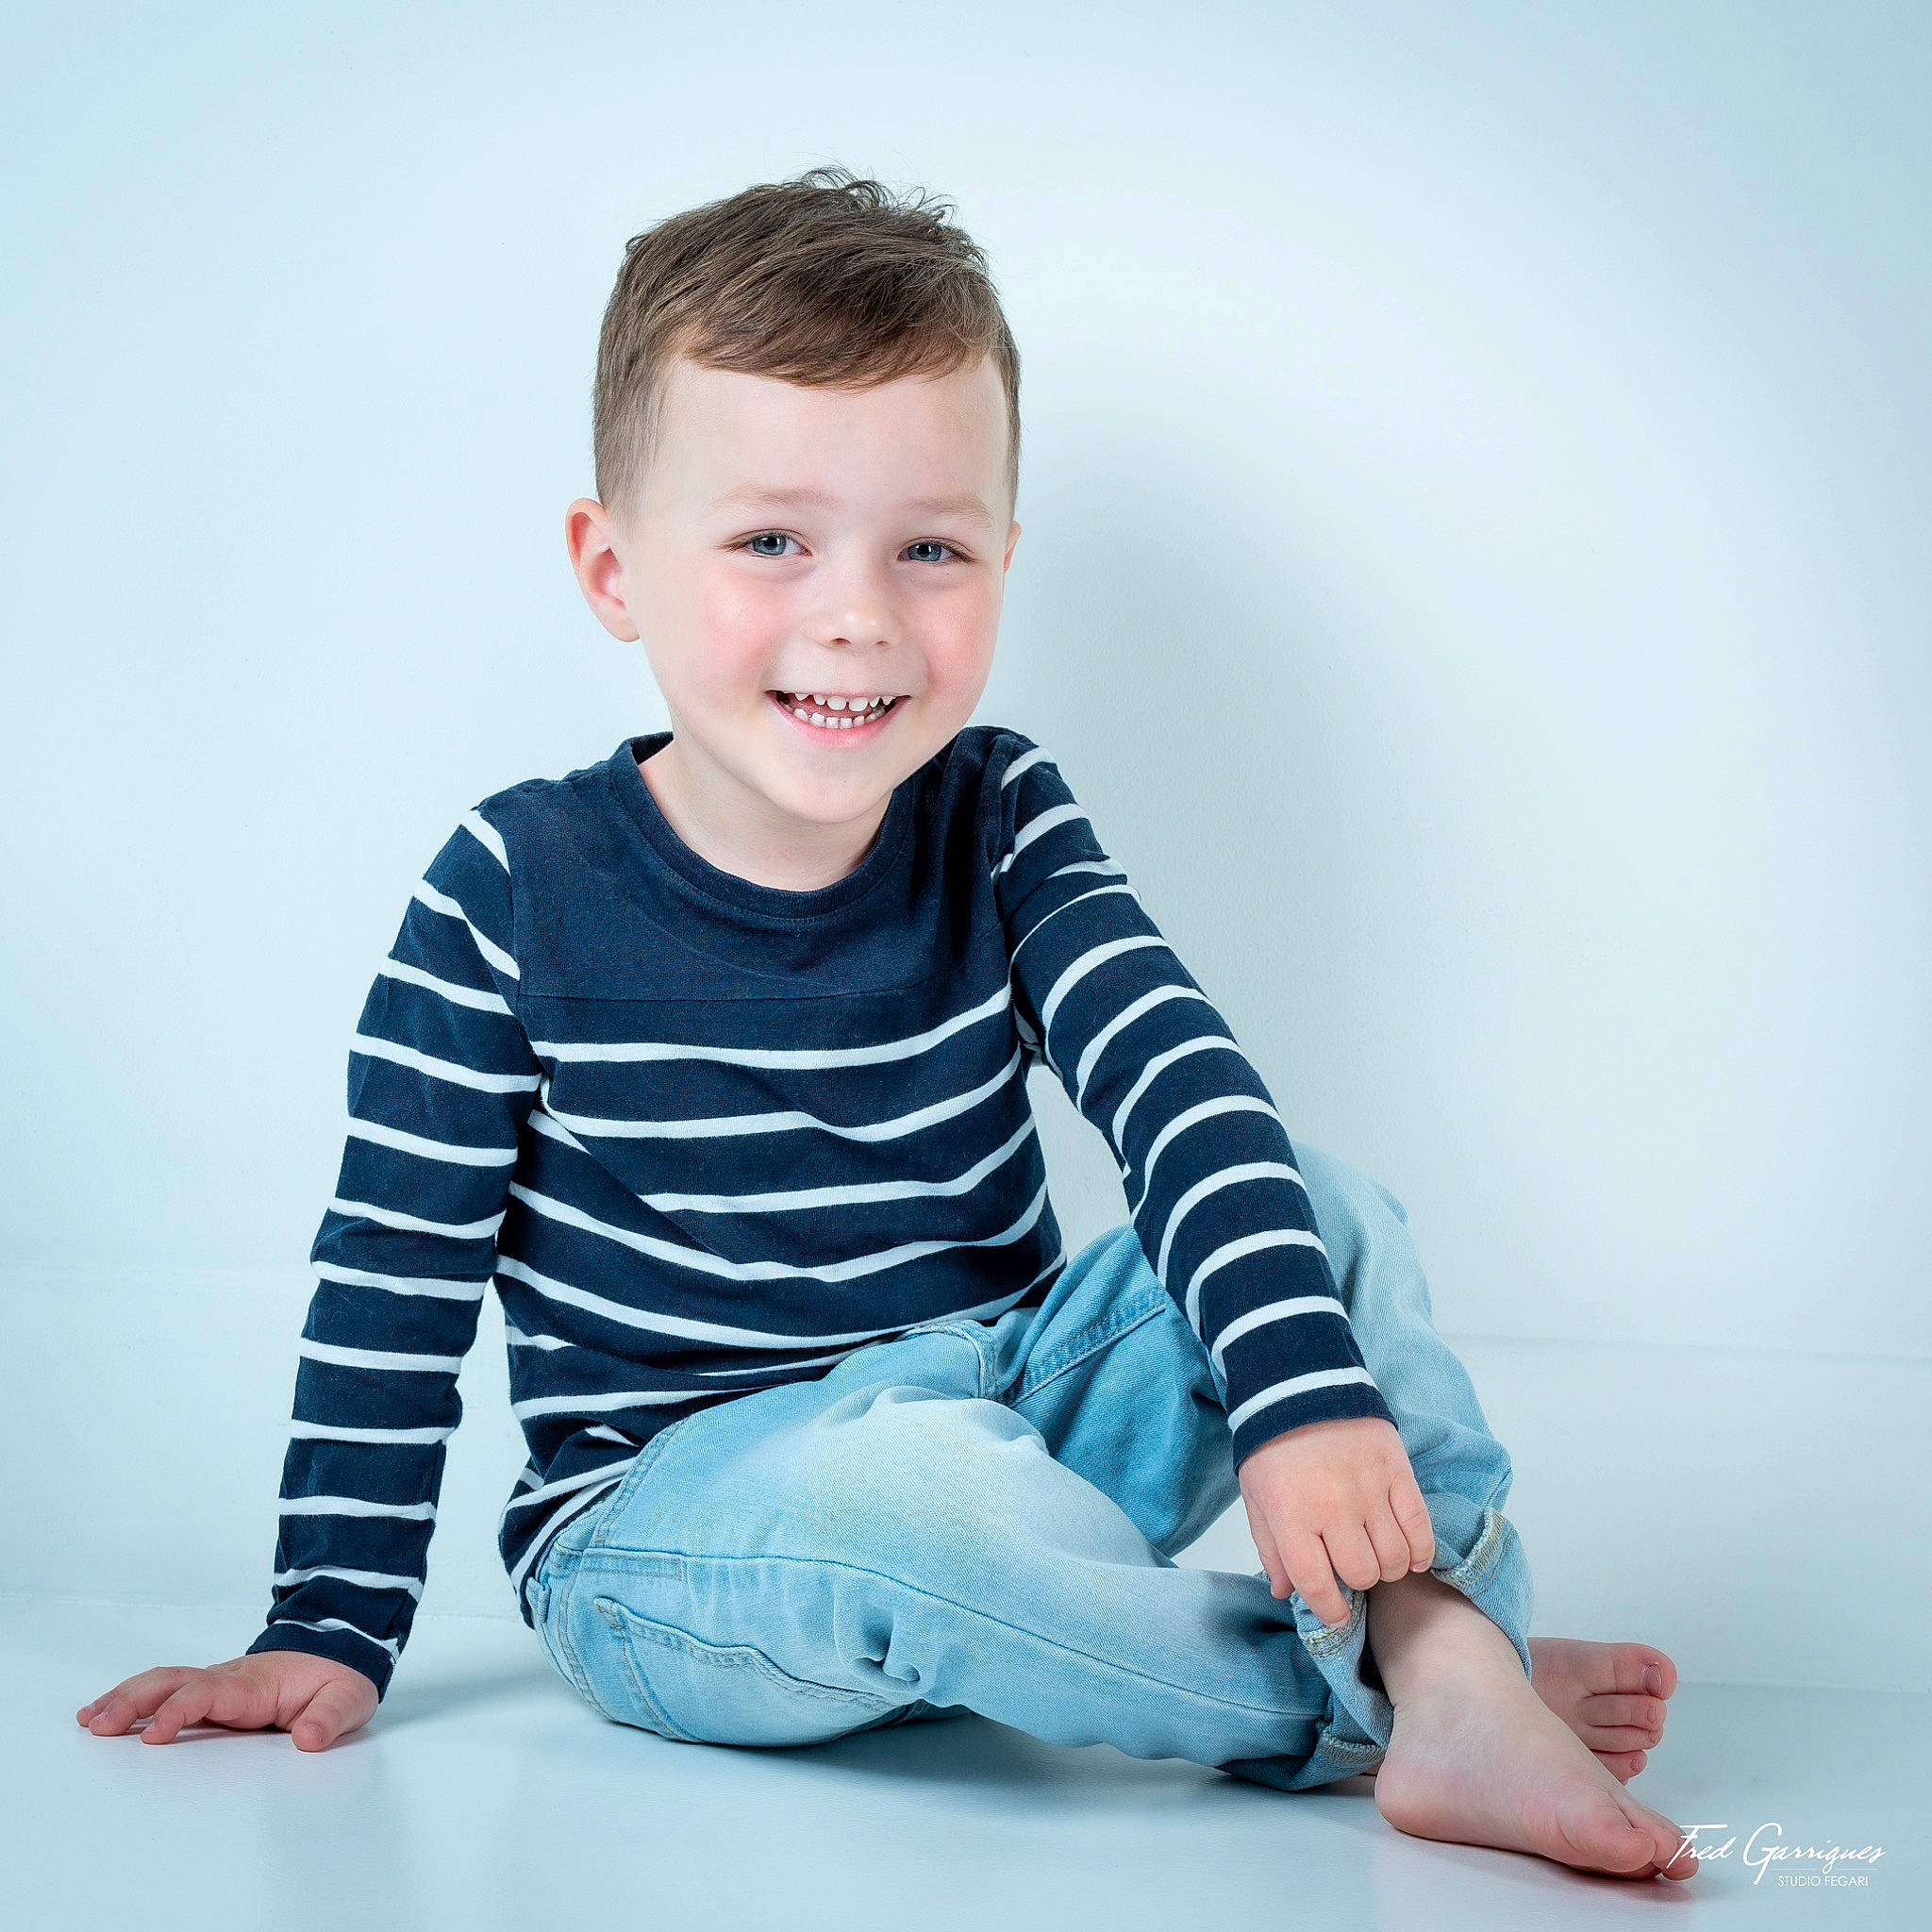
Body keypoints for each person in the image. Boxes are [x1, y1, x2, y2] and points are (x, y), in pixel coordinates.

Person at [76, 166, 1695, 1884]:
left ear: (1002, 554)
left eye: (928, 547)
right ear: (613, 567)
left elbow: (1178, 1084)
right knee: (920, 1511)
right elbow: (392, 1267)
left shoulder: (997, 816)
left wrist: (1293, 1393)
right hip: (680, 1534)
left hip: (999, 1420)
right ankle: (1397, 1686)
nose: (856, 612)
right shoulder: (514, 887)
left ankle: (1448, 1645)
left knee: (1318, 1205)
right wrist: (327, 1621)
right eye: (772, 539)